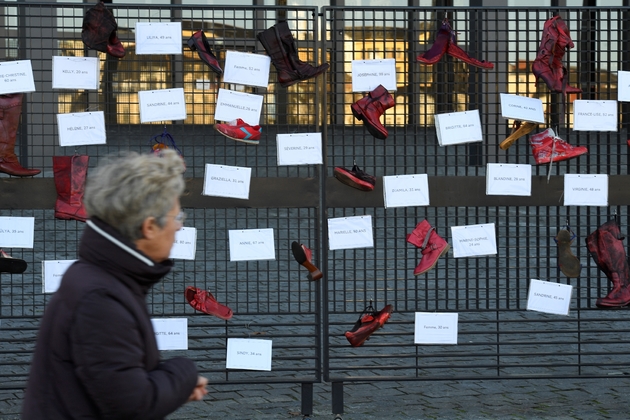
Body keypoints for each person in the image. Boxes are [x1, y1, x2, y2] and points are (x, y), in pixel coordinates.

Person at [23, 150, 207, 419]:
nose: (179, 227)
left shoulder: (101, 275)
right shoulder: (101, 298)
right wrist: (184, 372)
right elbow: (133, 405)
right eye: (177, 218)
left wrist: (175, 388)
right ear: (149, 227)